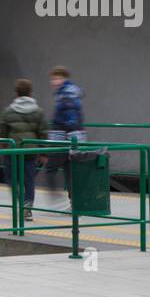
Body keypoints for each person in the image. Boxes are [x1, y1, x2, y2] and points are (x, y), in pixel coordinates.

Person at [0, 78, 47, 220]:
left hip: (13, 151)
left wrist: (5, 148)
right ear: (31, 93)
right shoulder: (39, 112)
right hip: (30, 152)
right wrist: (43, 152)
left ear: (16, 93)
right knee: (29, 181)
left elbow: (2, 134)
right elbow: (43, 133)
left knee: (11, 179)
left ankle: (19, 202)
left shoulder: (8, 111)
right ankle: (27, 209)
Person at [43, 66, 86, 209]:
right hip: (73, 137)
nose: (53, 82)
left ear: (62, 77)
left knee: (50, 168)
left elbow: (70, 117)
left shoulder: (66, 93)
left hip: (65, 138)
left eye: (55, 78)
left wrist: (67, 132)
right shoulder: (68, 92)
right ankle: (75, 202)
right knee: (69, 170)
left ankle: (57, 198)